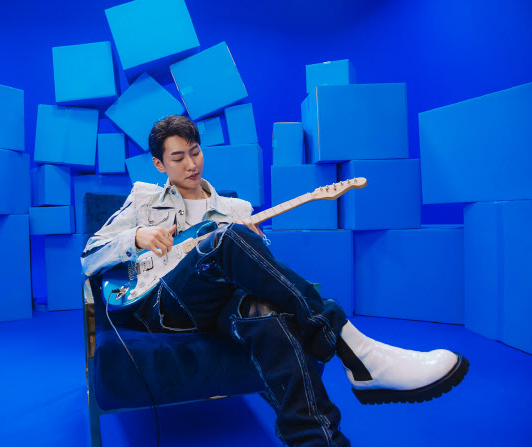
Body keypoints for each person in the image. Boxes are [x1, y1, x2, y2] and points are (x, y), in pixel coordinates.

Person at [80, 115, 469, 447]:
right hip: (163, 305)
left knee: (265, 310)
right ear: (159, 164)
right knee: (227, 238)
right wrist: (136, 237)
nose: (191, 164)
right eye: (178, 157)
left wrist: (253, 241)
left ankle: (317, 441)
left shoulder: (236, 209)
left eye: (195, 152)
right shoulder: (144, 199)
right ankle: (355, 348)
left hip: (217, 306)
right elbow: (89, 255)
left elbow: (262, 270)